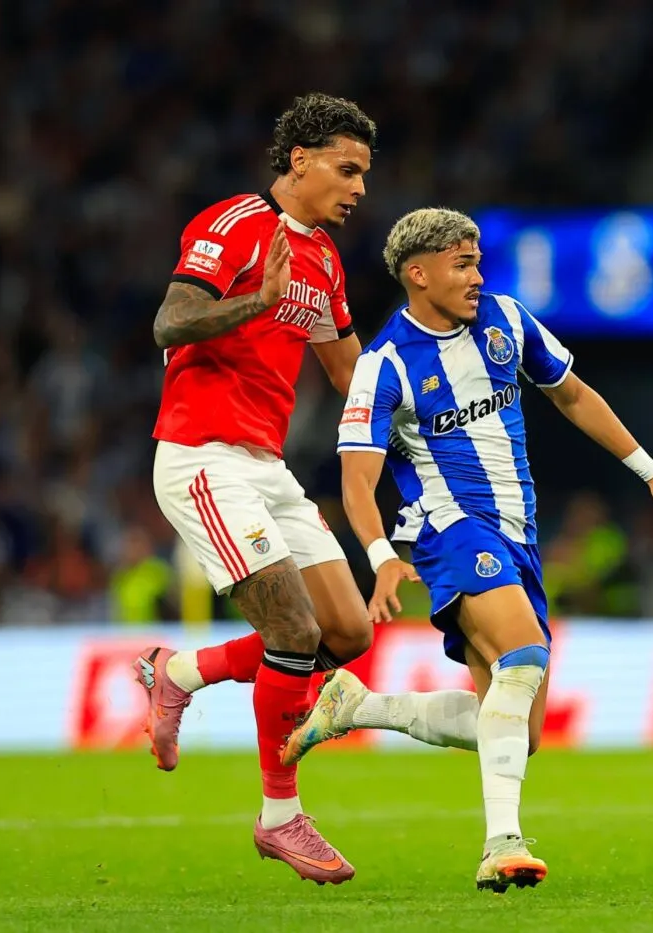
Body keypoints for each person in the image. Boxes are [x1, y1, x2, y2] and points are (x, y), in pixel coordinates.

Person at [281, 207, 653, 891]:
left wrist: (651, 473)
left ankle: (358, 707)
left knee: (518, 730)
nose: (478, 277)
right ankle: (502, 842)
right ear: (419, 274)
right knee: (524, 655)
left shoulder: (507, 320)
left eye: (477, 262)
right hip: (449, 529)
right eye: (462, 264)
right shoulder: (384, 365)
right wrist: (382, 555)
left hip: (518, 534)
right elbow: (356, 480)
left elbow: (572, 395)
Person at [133, 93, 377, 885]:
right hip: (202, 455)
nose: (359, 188)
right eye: (347, 169)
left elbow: (348, 372)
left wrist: (425, 414)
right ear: (300, 160)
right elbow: (171, 321)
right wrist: (258, 302)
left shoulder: (325, 259)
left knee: (347, 632)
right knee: (294, 631)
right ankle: (280, 817)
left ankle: (179, 673)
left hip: (267, 466)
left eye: (364, 174)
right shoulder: (236, 222)